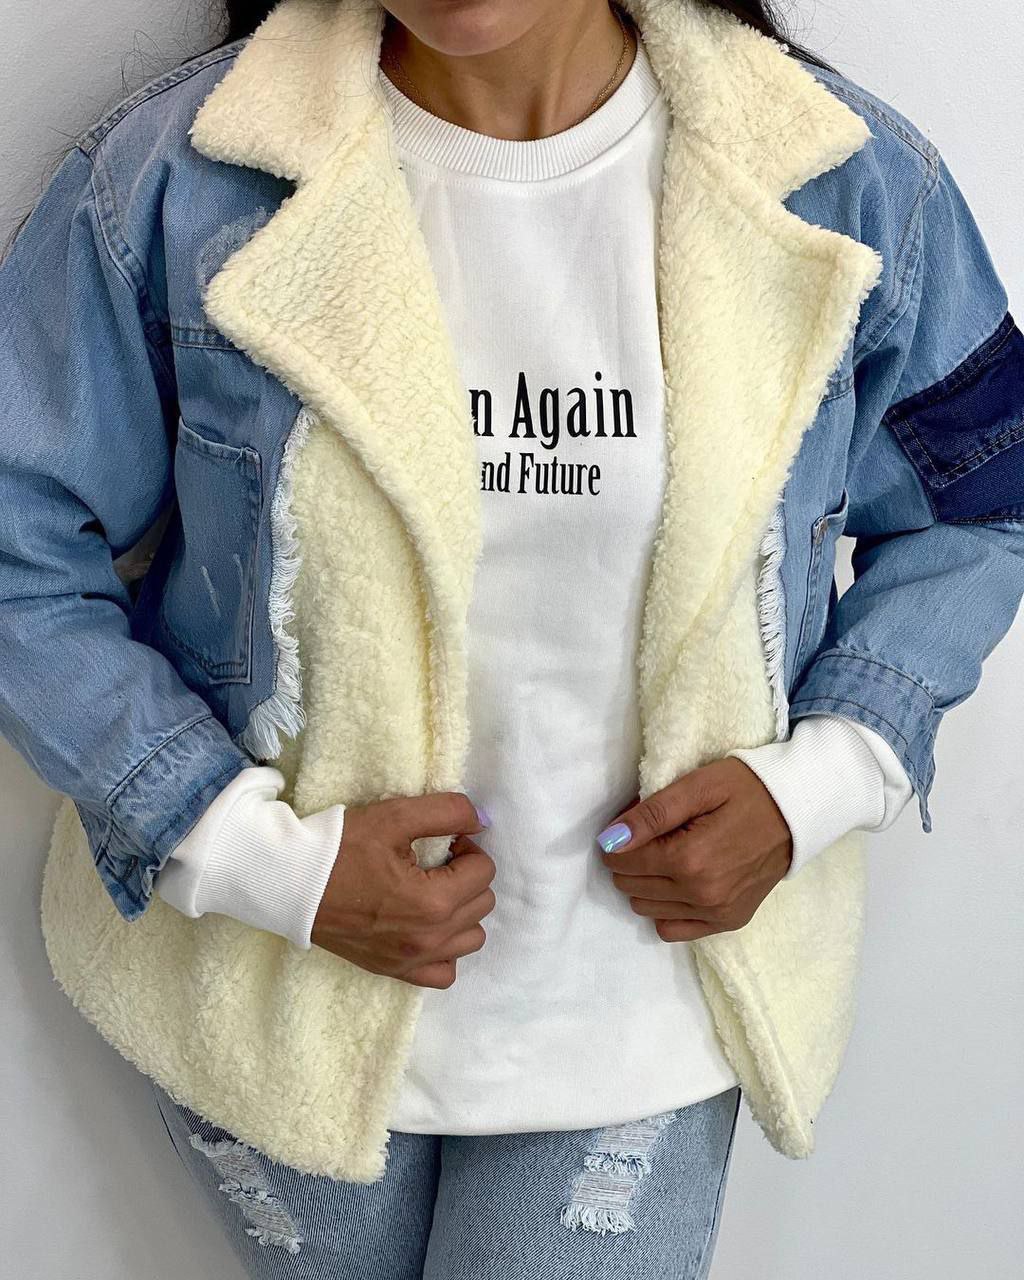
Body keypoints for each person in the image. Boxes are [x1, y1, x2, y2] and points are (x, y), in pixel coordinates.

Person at [2, 0, 1021, 1276]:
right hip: (271, 991)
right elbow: (20, 547)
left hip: (641, 1001)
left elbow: (988, 499)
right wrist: (254, 856)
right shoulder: (171, 182)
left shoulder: (844, 184)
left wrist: (822, 780)